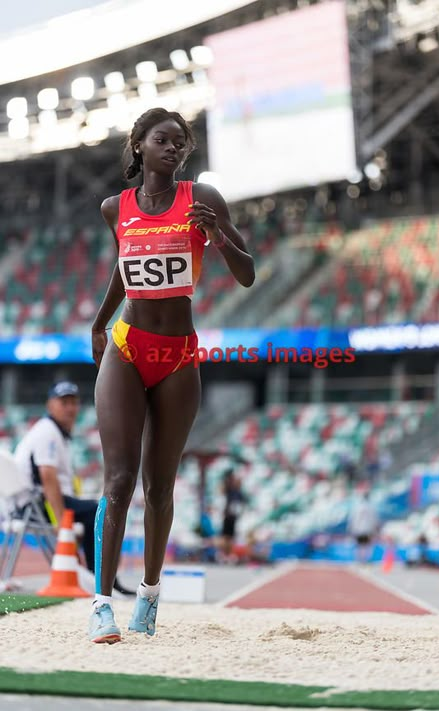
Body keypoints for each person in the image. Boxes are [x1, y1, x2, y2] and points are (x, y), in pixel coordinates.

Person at [89, 107, 255, 643]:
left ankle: (150, 596)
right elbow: (124, 267)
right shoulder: (115, 208)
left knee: (159, 487)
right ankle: (100, 605)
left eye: (181, 143)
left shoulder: (202, 199)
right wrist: (99, 322)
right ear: (139, 145)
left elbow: (247, 273)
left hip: (179, 355)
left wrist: (219, 238)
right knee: (118, 481)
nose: (174, 148)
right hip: (128, 347)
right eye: (163, 140)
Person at [13, 381, 133, 595]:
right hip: (35, 505)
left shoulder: (56, 433)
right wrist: (62, 526)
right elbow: (47, 476)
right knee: (99, 511)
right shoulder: (47, 432)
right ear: (50, 405)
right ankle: (101, 579)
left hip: (36, 502)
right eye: (64, 402)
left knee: (95, 510)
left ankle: (100, 577)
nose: (70, 408)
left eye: (73, 403)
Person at [221, 470, 248, 562]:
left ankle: (229, 554)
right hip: (228, 516)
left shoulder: (240, 493)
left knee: (231, 537)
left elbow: (243, 503)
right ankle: (225, 554)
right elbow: (224, 487)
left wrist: (240, 512)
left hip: (234, 517)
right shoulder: (230, 490)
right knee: (226, 536)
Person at [347, 490, 379, 564]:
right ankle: (366, 559)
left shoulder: (357, 507)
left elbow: (353, 519)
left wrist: (351, 528)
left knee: (359, 545)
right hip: (368, 529)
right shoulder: (371, 507)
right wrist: (375, 528)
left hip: (359, 529)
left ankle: (360, 559)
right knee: (367, 545)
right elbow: (374, 519)